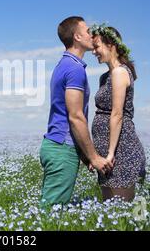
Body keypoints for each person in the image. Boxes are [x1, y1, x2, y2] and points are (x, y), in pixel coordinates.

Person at [39, 16, 113, 208]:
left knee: (52, 211)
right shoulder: (74, 69)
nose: (92, 35)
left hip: (56, 145)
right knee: (51, 216)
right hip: (62, 149)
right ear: (77, 36)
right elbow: (76, 117)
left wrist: (84, 154)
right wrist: (94, 157)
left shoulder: (62, 65)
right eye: (88, 31)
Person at [90, 23, 146, 202]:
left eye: (97, 46)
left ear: (110, 46)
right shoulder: (105, 76)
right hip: (108, 151)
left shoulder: (120, 73)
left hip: (121, 150)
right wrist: (95, 154)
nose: (93, 51)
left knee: (126, 210)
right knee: (111, 209)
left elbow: (117, 115)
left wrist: (110, 153)